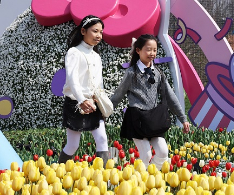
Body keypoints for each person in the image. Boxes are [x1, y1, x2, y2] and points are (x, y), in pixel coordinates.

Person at [110, 34, 190, 169]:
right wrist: (104, 112)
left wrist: (183, 118)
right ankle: (138, 184)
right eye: (148, 49)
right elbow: (118, 95)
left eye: (154, 50)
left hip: (153, 120)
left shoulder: (158, 73)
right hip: (137, 119)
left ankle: (148, 177)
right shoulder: (131, 73)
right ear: (138, 50)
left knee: (163, 152)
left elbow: (170, 97)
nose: (152, 53)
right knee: (146, 154)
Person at [60, 15, 110, 164]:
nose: (99, 35)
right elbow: (72, 79)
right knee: (73, 145)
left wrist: (102, 104)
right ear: (83, 31)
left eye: (101, 32)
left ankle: (104, 180)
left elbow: (98, 83)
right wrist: (81, 100)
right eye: (95, 31)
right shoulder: (74, 52)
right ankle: (57, 175)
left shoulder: (96, 56)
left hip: (93, 104)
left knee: (102, 139)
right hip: (75, 104)